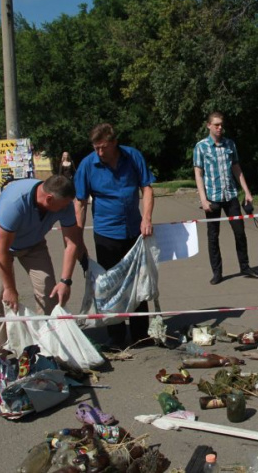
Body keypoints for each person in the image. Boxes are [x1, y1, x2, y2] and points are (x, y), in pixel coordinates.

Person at [0, 175, 83, 376]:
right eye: (62, 206)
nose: (66, 209)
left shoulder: (64, 203)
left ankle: (46, 348)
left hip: (33, 243)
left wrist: (65, 281)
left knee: (49, 290)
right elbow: (1, 249)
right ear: (49, 199)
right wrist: (11, 289)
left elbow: (71, 242)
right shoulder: (15, 202)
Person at [75, 123, 155, 347]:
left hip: (134, 230)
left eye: (103, 147)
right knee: (110, 285)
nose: (99, 152)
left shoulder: (133, 157)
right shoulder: (87, 165)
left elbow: (147, 188)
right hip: (106, 233)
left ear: (114, 143)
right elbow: (80, 203)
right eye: (96, 148)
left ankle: (141, 333)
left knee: (138, 282)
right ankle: (116, 335)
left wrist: (147, 218)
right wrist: (78, 240)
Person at [193, 111, 258, 285]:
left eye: (221, 124)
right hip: (212, 198)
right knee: (213, 236)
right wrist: (203, 198)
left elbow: (236, 169)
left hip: (230, 195)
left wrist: (246, 191)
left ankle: (245, 266)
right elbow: (198, 174)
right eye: (216, 125)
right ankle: (217, 272)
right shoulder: (201, 147)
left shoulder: (230, 144)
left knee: (240, 232)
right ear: (208, 125)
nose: (219, 128)